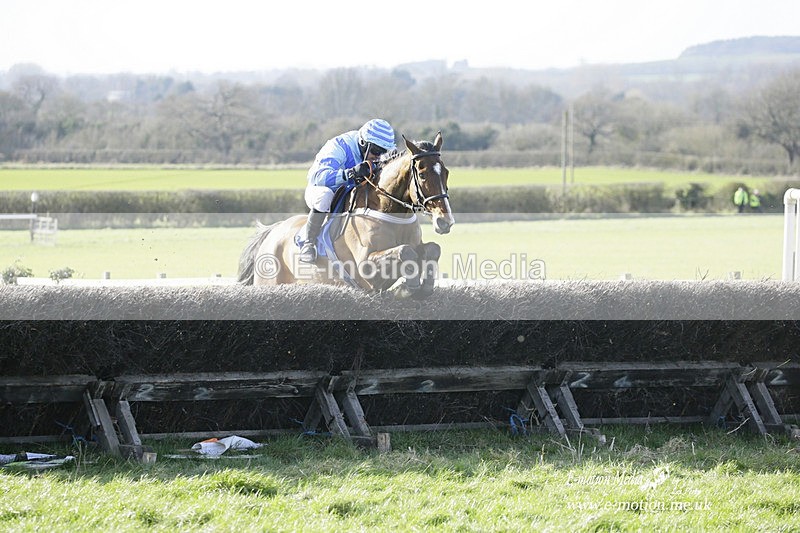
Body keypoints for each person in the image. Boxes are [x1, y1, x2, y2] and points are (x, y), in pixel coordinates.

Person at [299, 119, 397, 263]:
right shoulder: (339, 146)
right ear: (363, 143)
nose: (379, 156)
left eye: (384, 152)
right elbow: (317, 177)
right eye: (376, 150)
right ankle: (308, 243)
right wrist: (349, 173)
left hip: (353, 194)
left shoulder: (377, 155)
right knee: (324, 196)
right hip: (324, 190)